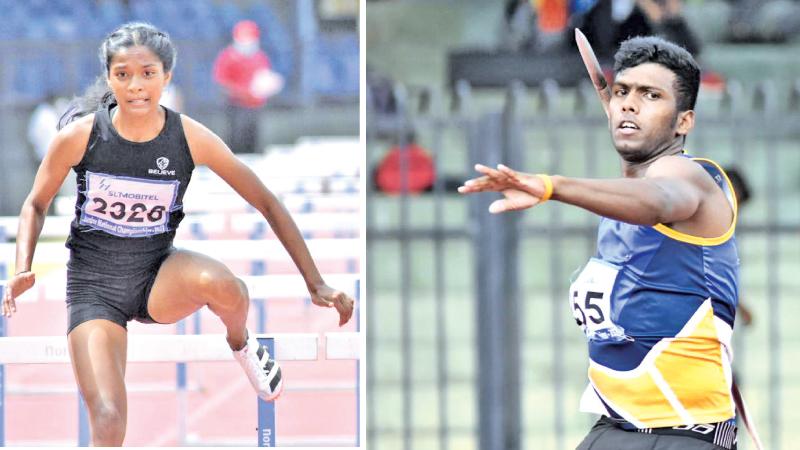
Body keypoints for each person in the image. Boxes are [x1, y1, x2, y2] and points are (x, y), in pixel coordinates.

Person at [2, 23, 354, 446]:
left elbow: (267, 202)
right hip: (94, 288)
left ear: (167, 77)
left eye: (148, 74)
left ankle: (242, 345)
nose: (136, 86)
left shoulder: (188, 137)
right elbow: (36, 203)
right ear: (110, 77)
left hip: (156, 277)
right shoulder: (80, 137)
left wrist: (315, 282)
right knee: (109, 419)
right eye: (123, 74)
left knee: (229, 288)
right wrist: (22, 267)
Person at [460, 36, 741, 449]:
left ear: (684, 122)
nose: (629, 104)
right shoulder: (625, 195)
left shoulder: (691, 177)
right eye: (623, 92)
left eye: (651, 95)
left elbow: (660, 200)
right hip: (613, 428)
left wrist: (553, 186)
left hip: (684, 435)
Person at [212, 20, 282, 154]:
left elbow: (264, 78)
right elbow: (221, 83)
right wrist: (241, 93)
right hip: (236, 106)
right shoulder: (228, 57)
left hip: (255, 107)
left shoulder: (260, 57)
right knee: (236, 140)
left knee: (253, 141)